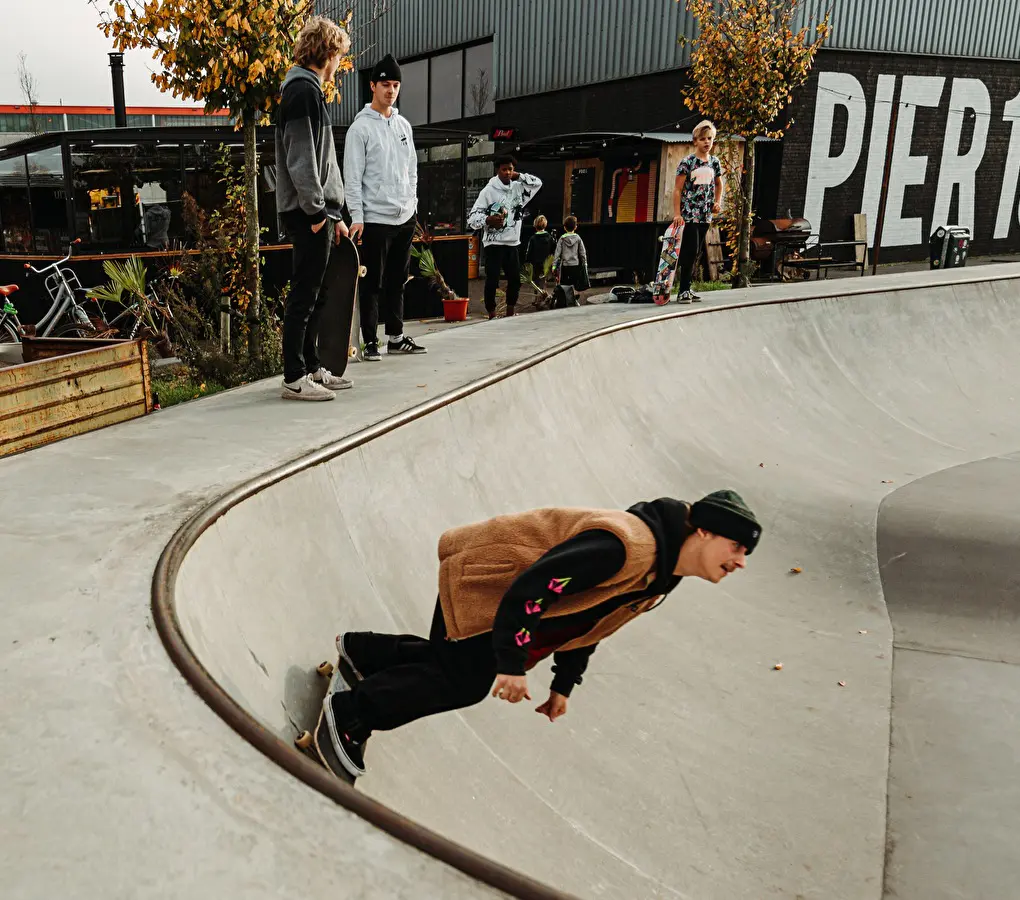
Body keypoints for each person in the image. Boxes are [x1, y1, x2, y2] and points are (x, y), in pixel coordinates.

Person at [322, 490, 762, 777]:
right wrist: (512, 665)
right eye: (737, 548)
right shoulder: (626, 548)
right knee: (464, 679)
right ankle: (352, 714)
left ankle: (365, 653)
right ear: (704, 531)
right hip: (488, 581)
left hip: (506, 602)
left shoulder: (662, 574)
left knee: (455, 666)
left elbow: (594, 622)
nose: (740, 561)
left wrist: (564, 683)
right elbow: (535, 587)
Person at [276, 15, 353, 401]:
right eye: (338, 55)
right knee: (304, 294)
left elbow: (325, 163)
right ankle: (294, 376)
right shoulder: (301, 92)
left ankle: (311, 367)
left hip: (319, 212)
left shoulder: (309, 91)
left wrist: (334, 215)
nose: (339, 63)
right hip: (307, 213)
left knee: (317, 293)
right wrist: (317, 213)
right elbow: (301, 160)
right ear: (326, 52)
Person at [343, 54, 426, 360]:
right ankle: (371, 342)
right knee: (372, 283)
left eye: (395, 85)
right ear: (372, 87)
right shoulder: (360, 130)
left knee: (397, 281)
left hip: (404, 216)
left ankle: (395, 336)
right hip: (375, 218)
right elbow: (352, 178)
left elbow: (412, 169)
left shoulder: (404, 126)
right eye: (385, 85)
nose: (390, 91)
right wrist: (358, 217)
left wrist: (412, 203)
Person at [467, 155, 542, 319]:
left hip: (512, 242)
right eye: (504, 169)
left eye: (510, 169)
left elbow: (538, 183)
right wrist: (488, 219)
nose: (507, 172)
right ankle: (492, 313)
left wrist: (519, 176)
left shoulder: (519, 188)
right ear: (497, 170)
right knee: (492, 280)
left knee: (515, 279)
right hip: (493, 243)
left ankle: (510, 310)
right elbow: (472, 218)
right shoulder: (488, 191)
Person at [672, 120, 725, 304]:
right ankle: (682, 291)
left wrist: (717, 202)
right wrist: (677, 214)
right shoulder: (687, 162)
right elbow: (677, 189)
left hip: (705, 214)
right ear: (695, 141)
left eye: (709, 138)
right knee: (690, 250)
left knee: (696, 252)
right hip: (688, 213)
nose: (707, 142)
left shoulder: (714, 163)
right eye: (702, 139)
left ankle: (687, 288)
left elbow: (718, 184)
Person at [553, 215, 589, 291]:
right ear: (575, 227)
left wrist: (554, 266)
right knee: (574, 284)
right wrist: (584, 263)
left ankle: (566, 299)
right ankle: (573, 299)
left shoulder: (562, 239)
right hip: (575, 265)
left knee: (565, 285)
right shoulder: (578, 238)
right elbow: (583, 253)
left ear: (564, 227)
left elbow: (557, 253)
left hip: (565, 265)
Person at [524, 215, 556, 279]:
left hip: (535, 263)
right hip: (547, 263)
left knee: (536, 279)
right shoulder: (550, 237)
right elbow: (553, 250)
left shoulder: (532, 238)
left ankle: (537, 288)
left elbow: (529, 252)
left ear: (535, 225)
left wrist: (527, 262)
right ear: (545, 225)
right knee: (544, 279)